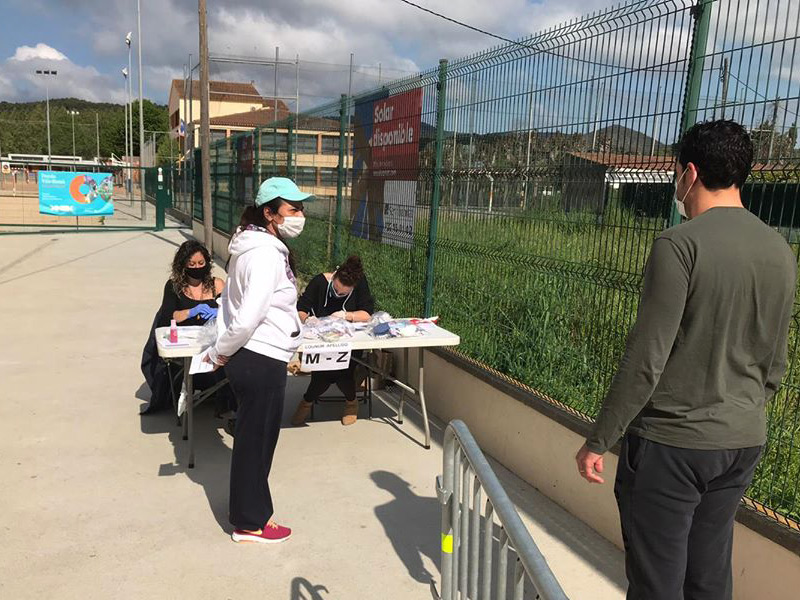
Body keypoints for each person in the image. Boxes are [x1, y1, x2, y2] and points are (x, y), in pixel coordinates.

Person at [574, 120, 796, 600]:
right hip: (741, 441)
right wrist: (740, 411)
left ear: (689, 174)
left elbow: (646, 359)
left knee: (657, 581)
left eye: (677, 172)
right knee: (708, 576)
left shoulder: (679, 245)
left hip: (672, 444)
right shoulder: (780, 250)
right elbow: (775, 361)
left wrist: (599, 439)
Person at [205, 176, 312, 544]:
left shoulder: (252, 247)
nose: (300, 215)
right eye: (292, 209)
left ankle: (248, 515)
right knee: (257, 442)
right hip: (259, 357)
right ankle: (251, 523)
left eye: (300, 208)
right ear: (270, 213)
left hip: (257, 356)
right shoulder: (265, 253)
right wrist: (221, 351)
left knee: (254, 441)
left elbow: (230, 306)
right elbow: (247, 315)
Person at [140, 240, 228, 415]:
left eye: (201, 263)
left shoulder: (217, 284)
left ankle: (226, 403)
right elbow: (168, 316)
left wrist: (219, 312)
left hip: (212, 343)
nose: (197, 267)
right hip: (185, 346)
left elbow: (231, 310)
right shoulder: (174, 287)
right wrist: (190, 311)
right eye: (192, 264)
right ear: (183, 265)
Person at [291, 255, 375, 427]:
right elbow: (302, 308)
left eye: (343, 293)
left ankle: (308, 401)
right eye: (336, 289)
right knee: (330, 369)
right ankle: (351, 400)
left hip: (348, 341)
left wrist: (347, 315)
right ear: (334, 275)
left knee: (336, 369)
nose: (338, 294)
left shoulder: (360, 284)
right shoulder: (319, 282)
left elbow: (366, 314)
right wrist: (307, 320)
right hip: (320, 340)